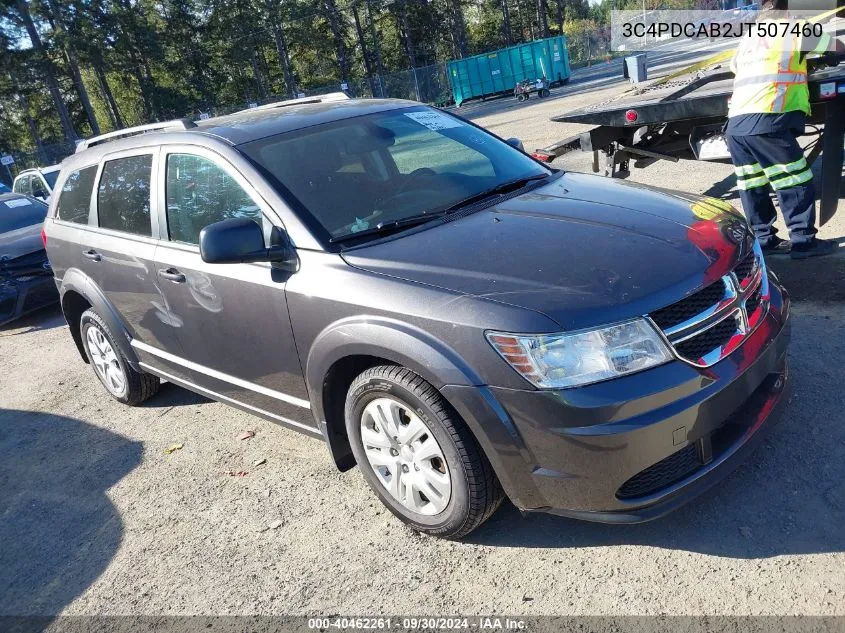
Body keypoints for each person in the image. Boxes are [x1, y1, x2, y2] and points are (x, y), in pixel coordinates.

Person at [724, 0, 844, 259]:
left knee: (752, 184)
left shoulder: (751, 36)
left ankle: (765, 239)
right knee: (796, 180)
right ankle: (803, 241)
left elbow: (735, 66)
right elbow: (837, 48)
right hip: (768, 117)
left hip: (736, 124)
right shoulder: (796, 28)